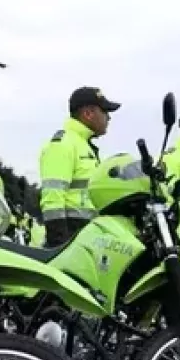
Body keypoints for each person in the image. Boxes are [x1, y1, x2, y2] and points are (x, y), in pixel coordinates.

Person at [39, 87, 120, 246]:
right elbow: (52, 197)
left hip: (86, 234)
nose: (108, 118)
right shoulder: (63, 144)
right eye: (104, 111)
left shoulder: (83, 145)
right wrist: (60, 244)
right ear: (88, 114)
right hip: (72, 234)